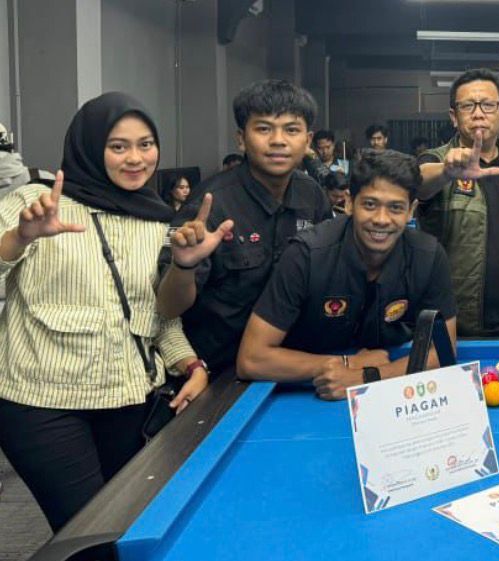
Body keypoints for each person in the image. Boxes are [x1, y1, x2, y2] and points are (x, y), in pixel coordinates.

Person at [0, 93, 207, 532]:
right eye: (118, 146)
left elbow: (154, 315)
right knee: (88, 535)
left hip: (128, 400)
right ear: (90, 147)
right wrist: (20, 238)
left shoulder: (156, 220)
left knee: (128, 526)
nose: (135, 158)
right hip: (42, 404)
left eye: (145, 144)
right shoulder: (35, 202)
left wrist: (190, 363)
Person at [237, 151, 457, 399]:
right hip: (306, 391)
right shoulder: (305, 255)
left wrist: (368, 377)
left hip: (387, 393)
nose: (381, 219)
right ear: (350, 203)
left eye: (396, 208)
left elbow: (443, 351)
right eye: (370, 205)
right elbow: (251, 359)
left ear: (411, 211)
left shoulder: (428, 256)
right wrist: (345, 363)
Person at [156, 79, 332, 375]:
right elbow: (167, 308)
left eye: (291, 130)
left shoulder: (312, 195)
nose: (278, 140)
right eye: (263, 129)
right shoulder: (210, 205)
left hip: (291, 362)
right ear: (241, 139)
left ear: (307, 140)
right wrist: (184, 266)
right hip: (218, 372)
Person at [416, 68, 499, 337]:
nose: (478, 113)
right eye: (468, 106)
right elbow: (419, 184)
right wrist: (447, 171)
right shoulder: (437, 160)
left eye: (488, 105)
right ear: (454, 117)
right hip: (457, 326)